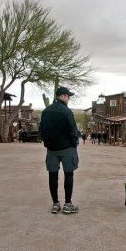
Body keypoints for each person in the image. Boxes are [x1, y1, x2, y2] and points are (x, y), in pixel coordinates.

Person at [39, 86, 79, 214]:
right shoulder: (67, 111)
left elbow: (42, 130)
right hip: (67, 148)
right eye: (68, 96)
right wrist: (74, 143)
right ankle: (68, 204)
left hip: (52, 149)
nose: (68, 99)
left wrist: (47, 143)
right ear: (62, 96)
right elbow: (72, 130)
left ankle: (55, 204)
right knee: (68, 174)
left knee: (52, 175)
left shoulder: (45, 111)